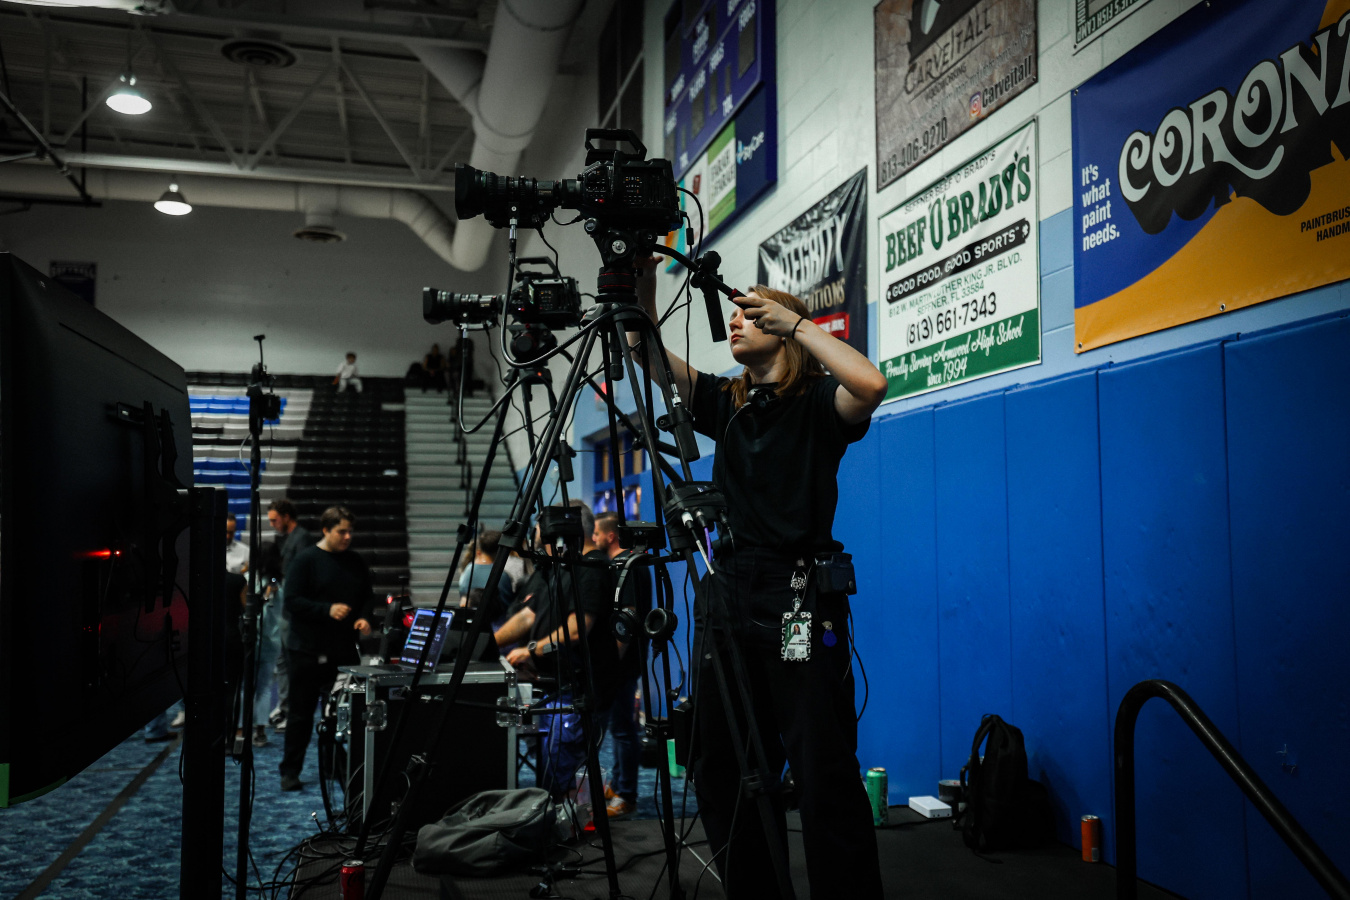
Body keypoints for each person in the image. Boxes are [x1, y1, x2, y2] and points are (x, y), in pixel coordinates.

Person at [629, 254, 889, 899]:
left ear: (780, 325)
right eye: (735, 315)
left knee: (822, 765)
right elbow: (646, 353)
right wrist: (640, 282)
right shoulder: (730, 401)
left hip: (797, 597)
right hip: (728, 591)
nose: (735, 322)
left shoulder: (819, 402)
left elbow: (871, 384)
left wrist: (798, 323)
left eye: (750, 314)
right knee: (723, 766)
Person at [495, 502, 619, 796]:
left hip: (577, 691)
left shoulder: (592, 568)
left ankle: (562, 820)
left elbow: (577, 630)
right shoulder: (564, 567)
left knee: (560, 777)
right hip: (557, 686)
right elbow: (530, 615)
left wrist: (533, 650)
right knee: (551, 770)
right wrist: (489, 642)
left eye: (545, 528)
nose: (540, 535)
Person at [280, 506, 374, 791]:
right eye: (341, 531)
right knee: (301, 714)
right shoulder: (306, 560)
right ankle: (290, 770)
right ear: (325, 530)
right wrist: (327, 610)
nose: (347, 537)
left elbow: (367, 596)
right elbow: (292, 601)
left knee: (337, 714)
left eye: (350, 531)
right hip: (307, 650)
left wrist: (364, 618)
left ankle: (333, 764)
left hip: (341, 649)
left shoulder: (355, 561)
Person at [593, 511, 652, 819]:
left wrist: (612, 662)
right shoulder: (620, 564)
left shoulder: (629, 565)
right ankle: (618, 786)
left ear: (610, 535)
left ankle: (626, 794)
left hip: (622, 664)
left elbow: (627, 619)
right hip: (620, 663)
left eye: (596, 534)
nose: (592, 539)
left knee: (623, 730)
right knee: (619, 728)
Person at [263, 498, 316, 734]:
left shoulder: (302, 538)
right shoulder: (284, 538)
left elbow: (302, 575)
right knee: (282, 660)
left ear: (286, 516)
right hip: (283, 607)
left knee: (292, 661)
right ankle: (285, 706)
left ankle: (293, 709)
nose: (272, 524)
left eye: (275, 520)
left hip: (294, 610)